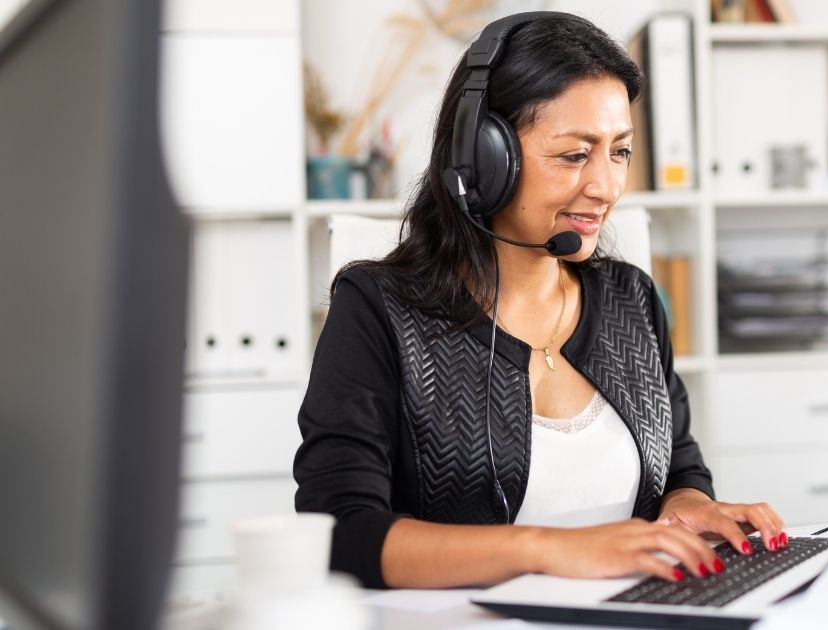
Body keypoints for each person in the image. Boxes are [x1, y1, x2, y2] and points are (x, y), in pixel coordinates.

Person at [293, 11, 787, 591]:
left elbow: (679, 462)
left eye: (620, 151)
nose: (606, 186)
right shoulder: (376, 309)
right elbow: (341, 534)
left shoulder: (632, 300)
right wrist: (553, 550)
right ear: (484, 158)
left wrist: (689, 502)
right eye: (575, 155)